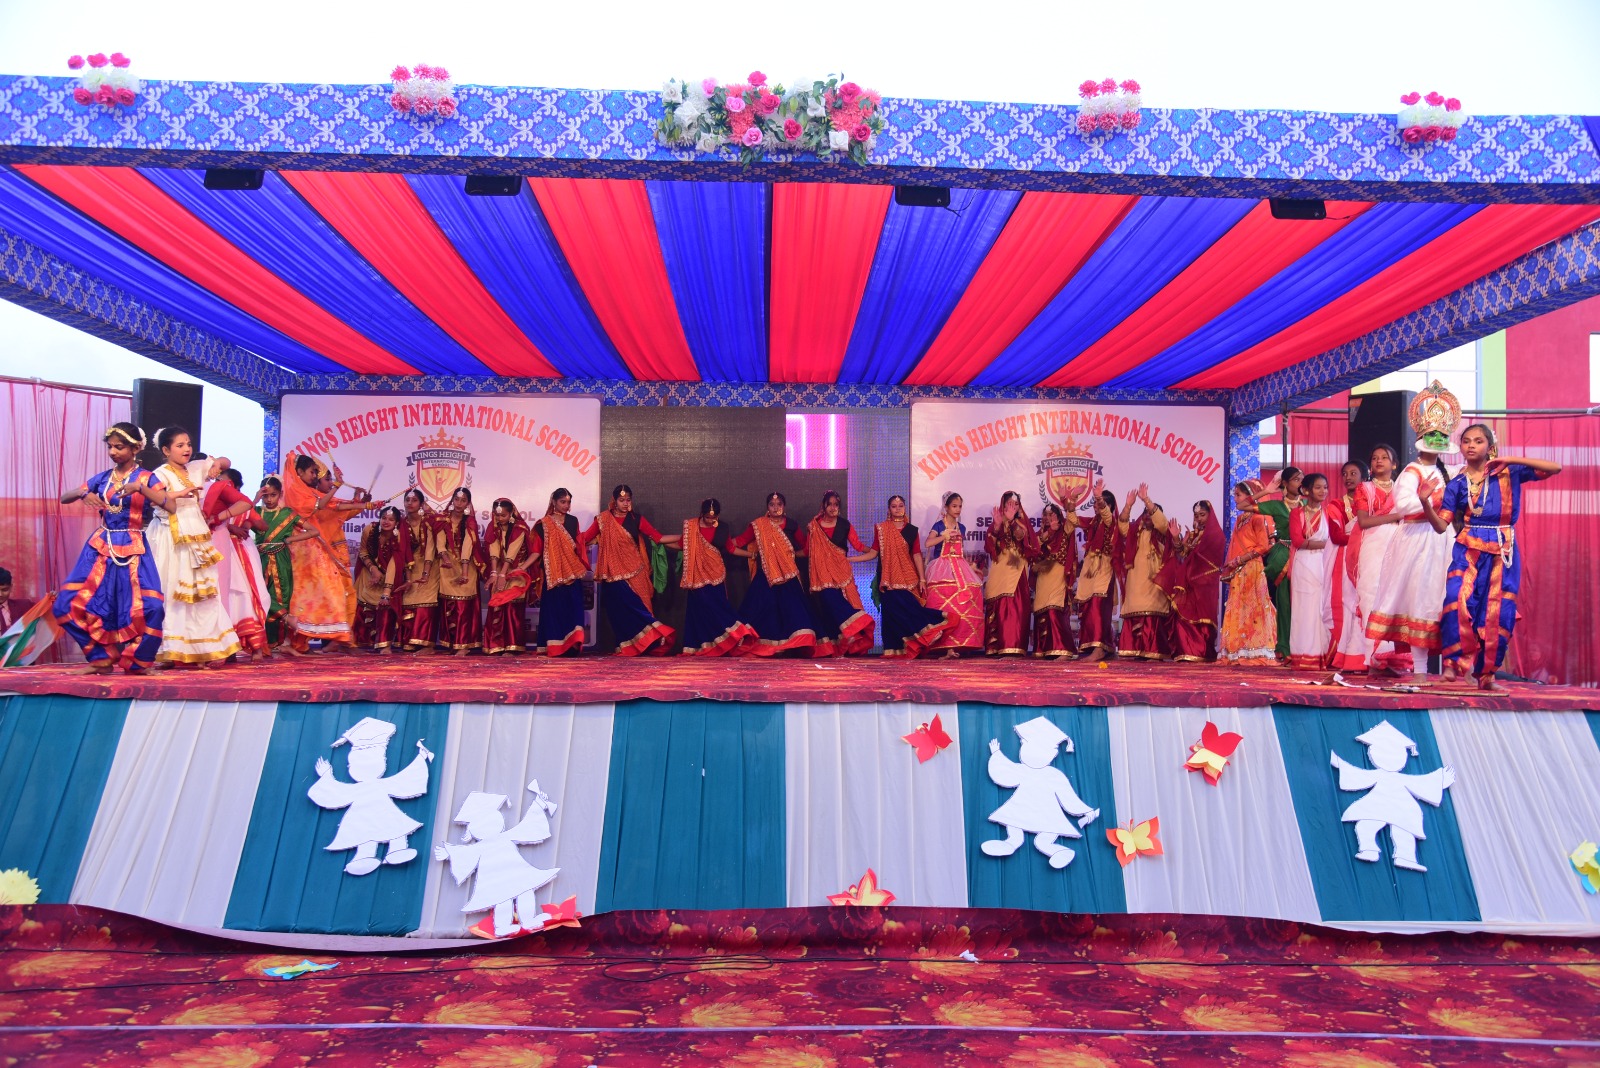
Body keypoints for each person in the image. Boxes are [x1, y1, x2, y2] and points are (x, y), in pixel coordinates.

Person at [1434, 423, 1561, 691]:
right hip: (1468, 548)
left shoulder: (1509, 472)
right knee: (1456, 598)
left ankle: (1487, 676)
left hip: (1503, 551)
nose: (1471, 445)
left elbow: (1555, 468)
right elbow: (1441, 525)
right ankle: (1453, 663)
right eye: (1466, 441)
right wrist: (1425, 502)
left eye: (1478, 441)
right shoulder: (1457, 483)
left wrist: (1510, 459)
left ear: (1490, 447)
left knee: (1497, 612)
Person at [52, 422, 168, 673]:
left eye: (120, 447)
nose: (113, 452)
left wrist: (140, 488)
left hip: (134, 547)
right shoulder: (103, 478)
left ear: (135, 448)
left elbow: (170, 505)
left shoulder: (147, 477)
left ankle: (138, 662)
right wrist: (83, 494)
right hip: (100, 547)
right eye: (111, 447)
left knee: (152, 607)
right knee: (65, 604)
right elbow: (64, 497)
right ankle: (100, 658)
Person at [1366, 384, 1459, 678]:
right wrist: (1433, 499)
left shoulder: (1448, 472)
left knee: (1445, 600)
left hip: (1444, 540)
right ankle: (1420, 669)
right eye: (1433, 434)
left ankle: (1455, 667)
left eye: (1442, 435)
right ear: (1421, 438)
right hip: (1417, 540)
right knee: (1420, 600)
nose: (1437, 440)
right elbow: (1404, 505)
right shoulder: (1411, 472)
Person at [146, 427, 241, 667]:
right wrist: (180, 493)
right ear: (166, 450)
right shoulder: (159, 474)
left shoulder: (196, 468)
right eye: (180, 445)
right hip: (171, 538)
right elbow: (156, 500)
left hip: (196, 536)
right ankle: (170, 650)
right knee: (173, 590)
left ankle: (208, 648)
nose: (187, 449)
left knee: (204, 591)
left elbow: (225, 461)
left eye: (188, 444)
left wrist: (216, 464)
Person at [581, 484, 679, 656]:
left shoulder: (636, 519)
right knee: (619, 613)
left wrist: (686, 538)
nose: (625, 503)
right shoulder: (603, 520)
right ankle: (627, 646)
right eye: (621, 500)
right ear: (614, 501)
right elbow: (584, 538)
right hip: (613, 576)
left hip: (636, 572)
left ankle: (652, 642)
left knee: (642, 609)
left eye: (628, 500)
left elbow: (658, 538)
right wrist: (563, 540)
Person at [283, 452, 365, 652]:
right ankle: (297, 642)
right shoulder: (295, 491)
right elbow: (322, 506)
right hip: (302, 549)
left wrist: (366, 503)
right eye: (312, 472)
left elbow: (337, 506)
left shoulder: (307, 492)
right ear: (299, 472)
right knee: (306, 594)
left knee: (321, 593)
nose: (314, 475)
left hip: (312, 548)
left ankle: (318, 639)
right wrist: (338, 485)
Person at [731, 492, 818, 656]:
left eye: (779, 504)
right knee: (762, 609)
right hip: (766, 575)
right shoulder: (759, 525)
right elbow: (739, 541)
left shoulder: (791, 525)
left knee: (793, 610)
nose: (775, 508)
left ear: (784, 507)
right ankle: (764, 646)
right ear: (767, 507)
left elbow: (806, 548)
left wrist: (792, 553)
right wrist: (718, 541)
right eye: (772, 504)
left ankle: (794, 646)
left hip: (788, 575)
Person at [872, 495, 951, 658]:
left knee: (909, 610)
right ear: (889, 509)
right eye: (894, 506)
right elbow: (873, 552)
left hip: (907, 578)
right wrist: (850, 558)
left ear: (905, 508)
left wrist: (922, 579)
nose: (897, 509)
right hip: (887, 578)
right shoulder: (881, 529)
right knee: (890, 615)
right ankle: (893, 651)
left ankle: (931, 630)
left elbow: (916, 555)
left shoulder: (912, 530)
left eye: (900, 505)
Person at [204, 466, 270, 661]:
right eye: (218, 482)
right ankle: (227, 647)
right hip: (220, 551)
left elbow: (262, 525)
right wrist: (230, 526)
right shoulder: (213, 505)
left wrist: (248, 522)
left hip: (241, 555)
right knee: (226, 597)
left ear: (236, 487)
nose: (219, 486)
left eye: (224, 482)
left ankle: (256, 647)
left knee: (246, 596)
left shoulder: (241, 507)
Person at [678, 498, 758, 656]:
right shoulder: (692, 527)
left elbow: (731, 548)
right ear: (701, 514)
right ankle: (704, 646)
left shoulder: (722, 528)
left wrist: (751, 555)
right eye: (707, 517)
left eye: (713, 518)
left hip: (715, 574)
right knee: (699, 611)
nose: (710, 520)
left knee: (719, 607)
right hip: (696, 576)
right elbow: (681, 544)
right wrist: (659, 541)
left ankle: (737, 635)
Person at [802, 491, 876, 657]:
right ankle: (841, 641)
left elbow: (857, 545)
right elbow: (808, 550)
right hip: (821, 573)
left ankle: (851, 638)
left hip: (841, 571)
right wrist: (789, 554)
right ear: (823, 506)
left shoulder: (844, 525)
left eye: (836, 504)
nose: (833, 507)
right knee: (827, 602)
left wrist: (876, 550)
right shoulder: (814, 526)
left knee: (844, 602)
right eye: (829, 504)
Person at [1218, 479, 1279, 665]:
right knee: (1239, 608)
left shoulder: (1258, 517)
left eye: (1238, 495)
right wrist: (1233, 563)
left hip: (1253, 568)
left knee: (1254, 609)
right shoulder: (1240, 519)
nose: (1235, 499)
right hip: (1239, 570)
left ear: (1250, 496)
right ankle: (1238, 650)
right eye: (1235, 495)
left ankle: (1256, 650)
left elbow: (1264, 546)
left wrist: (1241, 559)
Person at [1288, 473, 1345, 670]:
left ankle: (1325, 654)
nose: (1323, 491)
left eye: (1325, 487)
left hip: (1325, 563)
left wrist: (1323, 544)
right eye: (1318, 487)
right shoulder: (1297, 513)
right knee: (1305, 609)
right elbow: (1297, 541)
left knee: (1323, 607)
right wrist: (1326, 543)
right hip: (1304, 565)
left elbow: (1338, 537)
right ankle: (1306, 655)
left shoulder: (1329, 512)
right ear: (1306, 490)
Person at [253, 477, 315, 652]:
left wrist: (291, 539)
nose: (269, 499)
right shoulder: (256, 511)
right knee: (259, 595)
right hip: (260, 559)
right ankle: (285, 619)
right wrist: (255, 499)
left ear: (280, 494)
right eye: (265, 496)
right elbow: (239, 516)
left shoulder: (288, 514)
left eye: (273, 495)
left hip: (281, 559)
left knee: (281, 596)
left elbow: (314, 531)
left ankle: (276, 643)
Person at [1116, 483, 1173, 661]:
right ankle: (1136, 650)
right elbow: (1122, 526)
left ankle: (1153, 651)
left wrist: (1146, 500)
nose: (1147, 516)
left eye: (1151, 513)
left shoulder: (1163, 534)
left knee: (1152, 613)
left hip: (1154, 581)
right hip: (1135, 580)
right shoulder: (1135, 532)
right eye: (1145, 513)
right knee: (1136, 612)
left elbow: (1162, 523)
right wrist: (1128, 505)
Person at [924, 492, 983, 656]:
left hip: (959, 567)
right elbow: (928, 543)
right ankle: (944, 645)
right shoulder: (939, 525)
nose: (957, 509)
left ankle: (954, 645)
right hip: (941, 568)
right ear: (946, 507)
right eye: (954, 506)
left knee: (961, 604)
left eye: (960, 506)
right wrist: (943, 536)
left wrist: (971, 567)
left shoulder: (961, 528)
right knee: (944, 604)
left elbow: (960, 550)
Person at [1246, 467, 1296, 660]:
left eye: (1301, 479)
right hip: (1283, 555)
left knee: (1306, 604)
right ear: (1285, 484)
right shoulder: (1276, 506)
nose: (1300, 483)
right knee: (1284, 603)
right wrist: (1267, 491)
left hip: (1305, 555)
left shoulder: (1307, 505)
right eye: (1296, 479)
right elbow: (1242, 505)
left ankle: (1305, 647)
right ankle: (1284, 646)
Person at [1165, 500, 1224, 662]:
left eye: (1202, 515)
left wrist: (1191, 547)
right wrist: (1176, 538)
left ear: (1210, 515)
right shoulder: (1193, 535)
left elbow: (1208, 558)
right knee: (1182, 614)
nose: (1199, 519)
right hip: (1188, 583)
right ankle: (1185, 651)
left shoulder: (1215, 534)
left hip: (1205, 584)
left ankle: (1200, 652)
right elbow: (1182, 555)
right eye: (1196, 515)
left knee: (1202, 617)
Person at [984, 490, 1038, 656]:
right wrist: (997, 526)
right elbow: (989, 546)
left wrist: (1012, 520)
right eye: (1009, 504)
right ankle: (995, 647)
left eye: (1015, 504)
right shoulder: (997, 522)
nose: (1012, 507)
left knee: (1014, 605)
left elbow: (1021, 537)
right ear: (1003, 505)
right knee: (997, 602)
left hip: (1015, 569)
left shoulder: (1022, 522)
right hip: (999, 567)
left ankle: (1012, 646)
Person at [535, 488, 588, 657]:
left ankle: (573, 645)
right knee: (554, 612)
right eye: (562, 502)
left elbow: (578, 544)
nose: (566, 505)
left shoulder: (573, 521)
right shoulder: (544, 524)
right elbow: (537, 551)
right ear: (554, 502)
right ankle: (555, 647)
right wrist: (523, 566)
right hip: (553, 576)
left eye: (568, 502)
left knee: (574, 610)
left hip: (572, 573)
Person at [1325, 460, 1367, 672]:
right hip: (1345, 558)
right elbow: (1336, 536)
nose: (1348, 477)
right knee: (1347, 605)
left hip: (1370, 556)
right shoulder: (1336, 505)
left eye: (1353, 473)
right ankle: (1346, 655)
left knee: (1367, 604)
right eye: (1345, 474)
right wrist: (1363, 536)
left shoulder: (1372, 500)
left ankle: (1371, 656)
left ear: (1364, 477)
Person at [1072, 484, 1119, 663]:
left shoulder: (1110, 521)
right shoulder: (1093, 522)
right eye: (1095, 503)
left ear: (1109, 506)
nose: (1096, 507)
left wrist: (1099, 498)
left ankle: (1099, 650)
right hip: (1090, 569)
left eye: (1099, 504)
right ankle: (1104, 647)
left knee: (1099, 608)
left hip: (1104, 568)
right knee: (1090, 607)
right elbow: (1073, 519)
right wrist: (1072, 499)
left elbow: (1107, 515)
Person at [436, 487, 485, 656]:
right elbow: (440, 543)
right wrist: (445, 559)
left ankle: (463, 644)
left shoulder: (470, 522)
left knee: (463, 605)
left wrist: (464, 572)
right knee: (449, 604)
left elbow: (467, 547)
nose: (459, 503)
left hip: (467, 565)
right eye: (456, 499)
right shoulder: (443, 519)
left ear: (468, 503)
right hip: (447, 565)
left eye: (463, 500)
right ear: (452, 500)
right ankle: (451, 643)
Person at [354, 506, 409, 653]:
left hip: (390, 576)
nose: (386, 522)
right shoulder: (370, 530)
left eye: (391, 519)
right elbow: (363, 551)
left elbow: (394, 564)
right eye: (384, 518)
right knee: (362, 604)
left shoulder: (399, 537)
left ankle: (384, 644)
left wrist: (386, 591)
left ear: (397, 523)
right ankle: (360, 642)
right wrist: (373, 569)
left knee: (386, 604)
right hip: (369, 572)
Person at [483, 498, 533, 656]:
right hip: (499, 570)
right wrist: (494, 574)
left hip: (516, 573)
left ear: (511, 513)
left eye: (503, 515)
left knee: (512, 608)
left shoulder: (520, 528)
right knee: (497, 604)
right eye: (497, 515)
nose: (499, 518)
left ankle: (513, 646)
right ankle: (496, 645)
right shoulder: (493, 526)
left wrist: (503, 575)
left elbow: (512, 554)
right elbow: (493, 551)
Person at [1028, 503, 1077, 659]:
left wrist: (1068, 502)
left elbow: (1072, 522)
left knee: (1054, 609)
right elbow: (1032, 549)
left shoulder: (1065, 529)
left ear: (1058, 516)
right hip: (1043, 577)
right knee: (1041, 609)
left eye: (1051, 515)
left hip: (1058, 575)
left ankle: (1063, 650)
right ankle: (1043, 649)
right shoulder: (1039, 534)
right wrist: (1048, 533)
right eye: (1045, 515)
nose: (1048, 518)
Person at [397, 489, 441, 653]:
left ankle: (427, 644)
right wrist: (408, 575)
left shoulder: (429, 521)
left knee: (426, 602)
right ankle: (410, 641)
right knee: (409, 600)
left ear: (422, 503)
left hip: (430, 565)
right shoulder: (401, 523)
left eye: (414, 500)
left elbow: (430, 548)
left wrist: (426, 573)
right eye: (407, 500)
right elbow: (401, 550)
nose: (410, 503)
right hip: (410, 566)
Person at [0, 568, 27, 634]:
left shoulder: (24, 606)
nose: (0, 594)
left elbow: (42, 611)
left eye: (4, 590)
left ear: (11, 587)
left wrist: (49, 599)